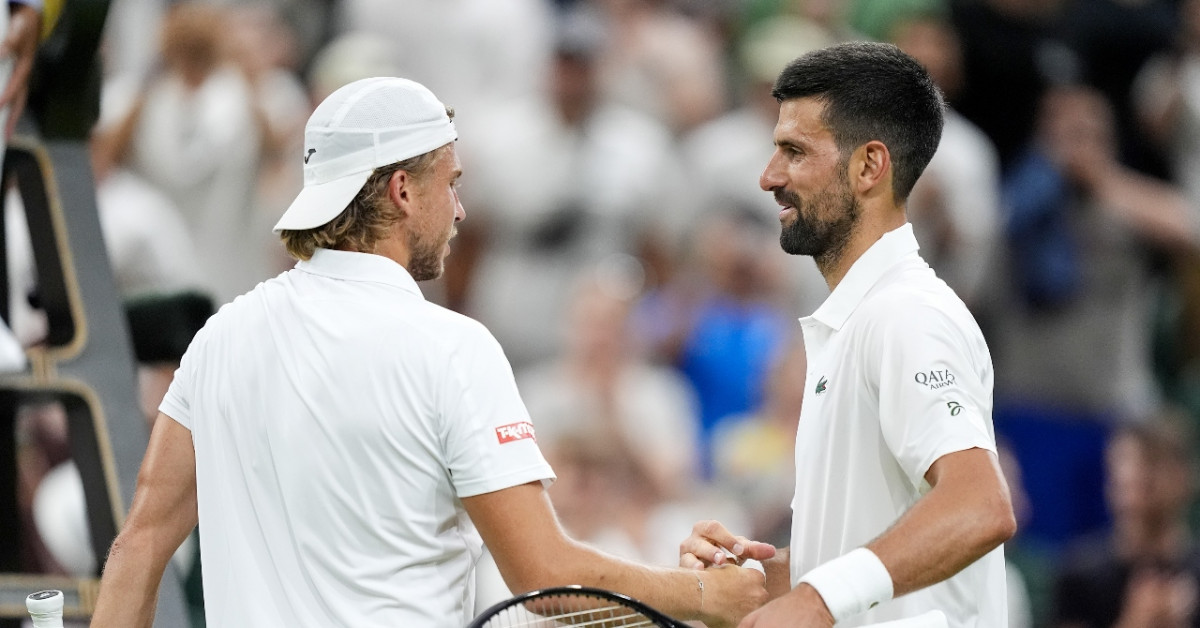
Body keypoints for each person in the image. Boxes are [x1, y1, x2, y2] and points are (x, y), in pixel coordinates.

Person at [88, 76, 767, 627]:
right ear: (403, 190)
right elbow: (545, 578)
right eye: (452, 182)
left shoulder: (220, 339)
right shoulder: (453, 349)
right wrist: (703, 596)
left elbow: (138, 549)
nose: (462, 209)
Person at [677, 42, 1017, 627]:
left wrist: (815, 600)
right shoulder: (861, 319)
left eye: (794, 152)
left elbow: (980, 505)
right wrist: (747, 581)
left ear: (868, 167)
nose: (768, 177)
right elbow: (856, 569)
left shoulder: (907, 314)